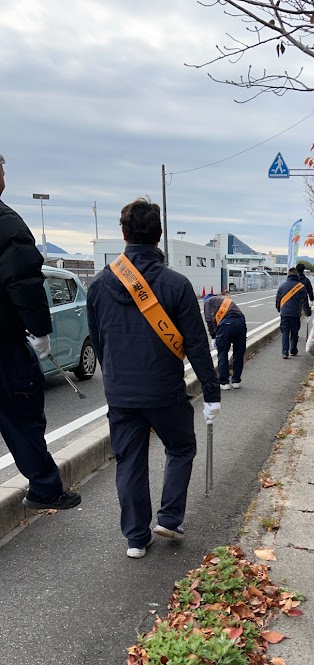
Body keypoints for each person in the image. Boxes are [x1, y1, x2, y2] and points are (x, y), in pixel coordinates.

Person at [87, 197, 220, 559]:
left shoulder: (99, 285)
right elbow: (196, 343)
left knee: (129, 461)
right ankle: (170, 519)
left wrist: (115, 378)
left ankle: (135, 538)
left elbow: (98, 342)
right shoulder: (176, 284)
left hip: (121, 394)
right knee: (181, 447)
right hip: (164, 391)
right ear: (159, 234)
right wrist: (212, 393)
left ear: (123, 234)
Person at [0, 153, 81, 511]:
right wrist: (39, 330)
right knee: (23, 413)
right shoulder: (6, 223)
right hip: (4, 344)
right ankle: (45, 488)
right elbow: (23, 280)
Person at [203, 291, 247, 390]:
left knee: (222, 353)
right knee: (239, 353)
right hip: (241, 324)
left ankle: (224, 382)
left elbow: (209, 320)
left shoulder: (207, 302)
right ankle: (236, 381)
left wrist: (213, 336)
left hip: (226, 326)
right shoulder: (225, 300)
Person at [275, 267, 311, 358]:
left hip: (284, 313)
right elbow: (305, 301)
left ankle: (285, 352)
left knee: (285, 333)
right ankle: (293, 349)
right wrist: (308, 312)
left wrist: (279, 309)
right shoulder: (301, 287)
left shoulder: (282, 286)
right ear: (297, 275)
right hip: (295, 314)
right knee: (294, 333)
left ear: (288, 275)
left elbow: (278, 300)